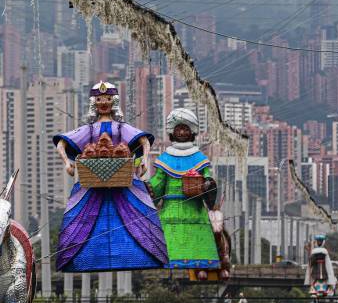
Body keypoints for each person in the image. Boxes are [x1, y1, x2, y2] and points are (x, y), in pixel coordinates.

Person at [53, 81, 168, 272]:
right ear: (94, 103)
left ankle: (145, 256)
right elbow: (61, 144)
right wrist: (67, 163)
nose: (103, 102)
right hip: (92, 183)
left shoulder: (120, 128)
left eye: (107, 98)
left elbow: (144, 140)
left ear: (113, 101)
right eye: (99, 99)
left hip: (123, 181)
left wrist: (145, 161)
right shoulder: (89, 130)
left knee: (139, 217)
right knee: (80, 220)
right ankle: (79, 259)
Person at [149, 108, 228, 280]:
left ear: (192, 132)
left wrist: (207, 184)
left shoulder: (199, 158)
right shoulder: (165, 158)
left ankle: (208, 265)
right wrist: (148, 187)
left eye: (185, 129)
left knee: (202, 242)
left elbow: (207, 178)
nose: (182, 132)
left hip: (195, 209)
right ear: (172, 132)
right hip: (170, 209)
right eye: (179, 129)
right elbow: (158, 183)